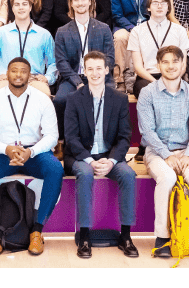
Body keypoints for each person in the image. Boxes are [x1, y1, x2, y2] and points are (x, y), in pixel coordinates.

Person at [0, 57, 63, 257]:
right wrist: (6, 149)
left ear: (30, 76)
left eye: (23, 71)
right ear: (7, 73)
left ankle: (37, 231)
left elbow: (52, 136)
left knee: (55, 169)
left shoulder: (42, 100)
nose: (19, 74)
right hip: (2, 153)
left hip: (34, 153)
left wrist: (31, 151)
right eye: (14, 70)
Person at [138, 46, 189, 259]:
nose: (171, 66)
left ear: (183, 64)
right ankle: (162, 238)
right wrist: (167, 155)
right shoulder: (147, 92)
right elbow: (147, 131)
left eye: (175, 61)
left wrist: (188, 155)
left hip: (186, 151)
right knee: (168, 177)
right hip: (157, 152)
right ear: (158, 65)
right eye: (166, 62)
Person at [65, 51, 138, 259]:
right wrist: (89, 160)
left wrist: (112, 160)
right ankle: (85, 236)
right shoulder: (73, 99)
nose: (95, 73)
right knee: (86, 173)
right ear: (84, 71)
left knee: (128, 175)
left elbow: (125, 137)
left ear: (107, 70)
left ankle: (126, 236)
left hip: (110, 156)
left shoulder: (120, 98)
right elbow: (71, 138)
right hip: (82, 156)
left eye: (99, 68)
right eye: (90, 69)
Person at [54, 0, 114, 138]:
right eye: (76, 0)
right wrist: (78, 82)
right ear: (71, 4)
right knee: (60, 100)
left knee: (112, 98)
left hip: (100, 77)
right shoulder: (62, 31)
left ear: (90, 2)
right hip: (73, 77)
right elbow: (62, 62)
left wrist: (96, 78)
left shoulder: (104, 28)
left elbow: (110, 59)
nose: (80, 3)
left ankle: (108, 141)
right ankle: (62, 141)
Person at [0, 0, 58, 96]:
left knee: (44, 94)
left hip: (34, 79)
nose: (21, 8)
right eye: (17, 4)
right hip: (7, 78)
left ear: (30, 7)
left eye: (24, 4)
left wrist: (48, 78)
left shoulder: (44, 34)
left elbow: (53, 62)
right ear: (12, 8)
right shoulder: (1, 33)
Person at [126, 0, 189, 97]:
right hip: (147, 77)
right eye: (155, 3)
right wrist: (157, 83)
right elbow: (138, 67)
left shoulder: (179, 30)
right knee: (147, 92)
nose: (159, 6)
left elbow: (183, 65)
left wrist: (171, 80)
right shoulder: (137, 31)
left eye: (163, 3)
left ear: (168, 7)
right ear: (148, 7)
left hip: (173, 75)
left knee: (182, 90)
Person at [110, 0, 156, 92]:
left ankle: (148, 76)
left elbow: (154, 13)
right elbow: (117, 15)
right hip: (125, 26)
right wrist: (132, 28)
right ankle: (120, 79)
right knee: (120, 37)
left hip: (147, 26)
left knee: (154, 34)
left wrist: (144, 27)